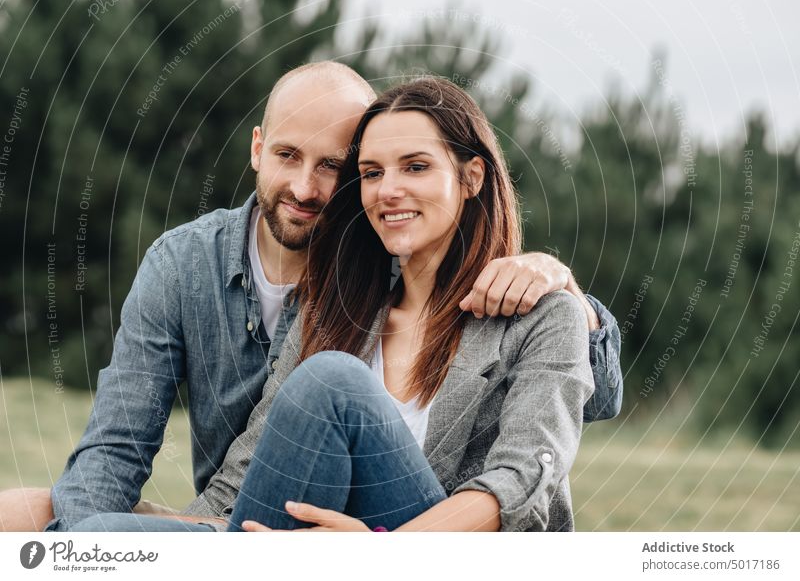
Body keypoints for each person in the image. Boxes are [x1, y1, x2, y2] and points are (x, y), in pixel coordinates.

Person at [0, 62, 620, 533]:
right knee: (70, 525)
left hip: (433, 552)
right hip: (291, 540)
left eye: (416, 167)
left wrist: (376, 555)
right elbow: (231, 471)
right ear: (256, 148)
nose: (388, 190)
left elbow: (525, 476)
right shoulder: (339, 302)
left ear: (472, 176)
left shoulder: (540, 310)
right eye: (373, 173)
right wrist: (110, 543)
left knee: (332, 382)